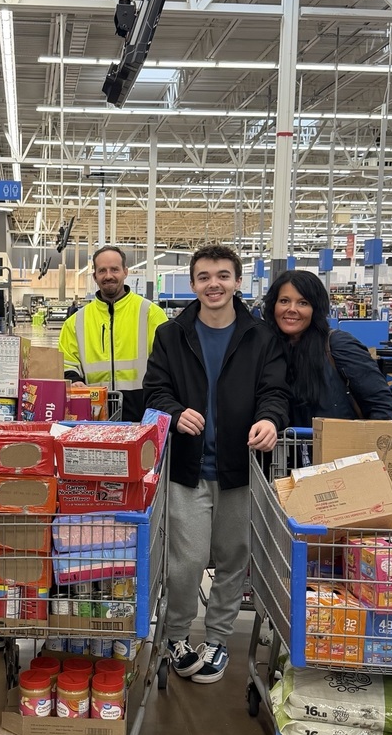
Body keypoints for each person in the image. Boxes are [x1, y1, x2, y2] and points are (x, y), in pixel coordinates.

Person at [143, 245, 290, 683]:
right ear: (192, 284)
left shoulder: (260, 337)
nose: (214, 284)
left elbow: (275, 392)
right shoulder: (171, 335)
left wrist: (270, 419)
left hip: (240, 469)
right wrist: (173, 411)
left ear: (238, 282)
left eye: (223, 276)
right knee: (185, 562)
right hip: (187, 469)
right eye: (204, 277)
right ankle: (176, 635)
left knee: (233, 559)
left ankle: (218, 639)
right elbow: (155, 390)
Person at [262, 269, 392, 427]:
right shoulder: (268, 349)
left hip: (340, 441)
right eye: (284, 301)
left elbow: (381, 404)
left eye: (303, 303)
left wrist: (366, 440)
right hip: (284, 442)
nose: (291, 309)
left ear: (316, 309)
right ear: (273, 306)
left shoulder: (338, 345)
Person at [58, 246, 168, 421]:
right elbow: (65, 362)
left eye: (114, 269)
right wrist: (74, 381)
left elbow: (168, 363)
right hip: (93, 416)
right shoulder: (75, 322)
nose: (108, 276)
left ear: (125, 272)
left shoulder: (151, 314)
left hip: (143, 413)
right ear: (95, 276)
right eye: (102, 270)